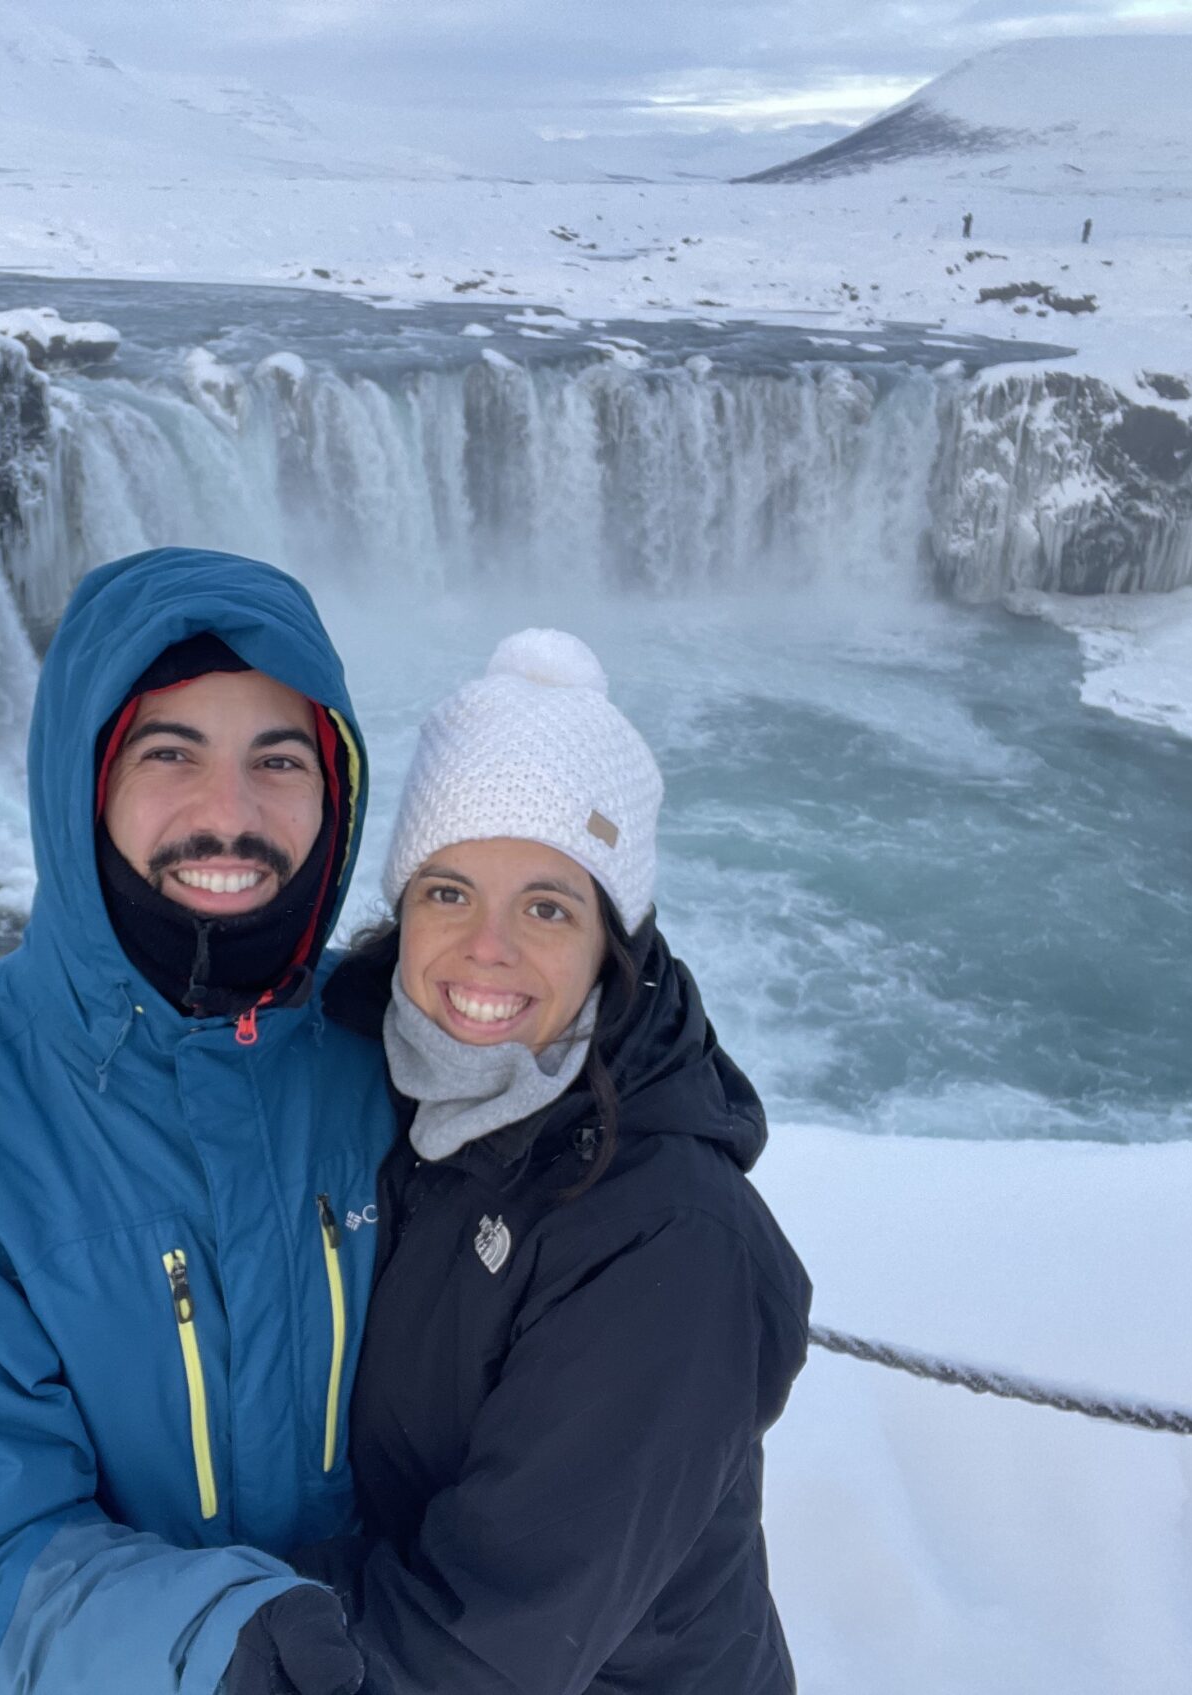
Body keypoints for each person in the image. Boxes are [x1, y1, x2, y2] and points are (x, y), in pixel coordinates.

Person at [0, 548, 392, 1695]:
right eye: (169, 753)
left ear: (335, 792)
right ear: (83, 780)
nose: (228, 816)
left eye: (277, 759)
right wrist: (214, 1643)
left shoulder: (398, 1058)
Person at [302, 629, 813, 1694]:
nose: (487, 947)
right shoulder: (367, 1090)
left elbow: (483, 1647)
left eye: (546, 906)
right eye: (448, 892)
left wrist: (193, 1632)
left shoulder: (667, 1235)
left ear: (610, 946)